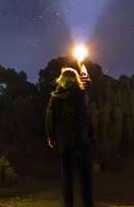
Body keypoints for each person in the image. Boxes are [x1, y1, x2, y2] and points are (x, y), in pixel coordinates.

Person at [45, 66, 94, 207]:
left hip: (64, 144)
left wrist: (51, 137)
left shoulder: (55, 98)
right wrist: (83, 66)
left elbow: (50, 118)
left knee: (67, 176)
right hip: (82, 141)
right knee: (85, 177)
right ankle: (88, 204)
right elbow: (88, 81)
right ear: (76, 80)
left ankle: (68, 204)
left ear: (61, 81)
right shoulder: (82, 94)